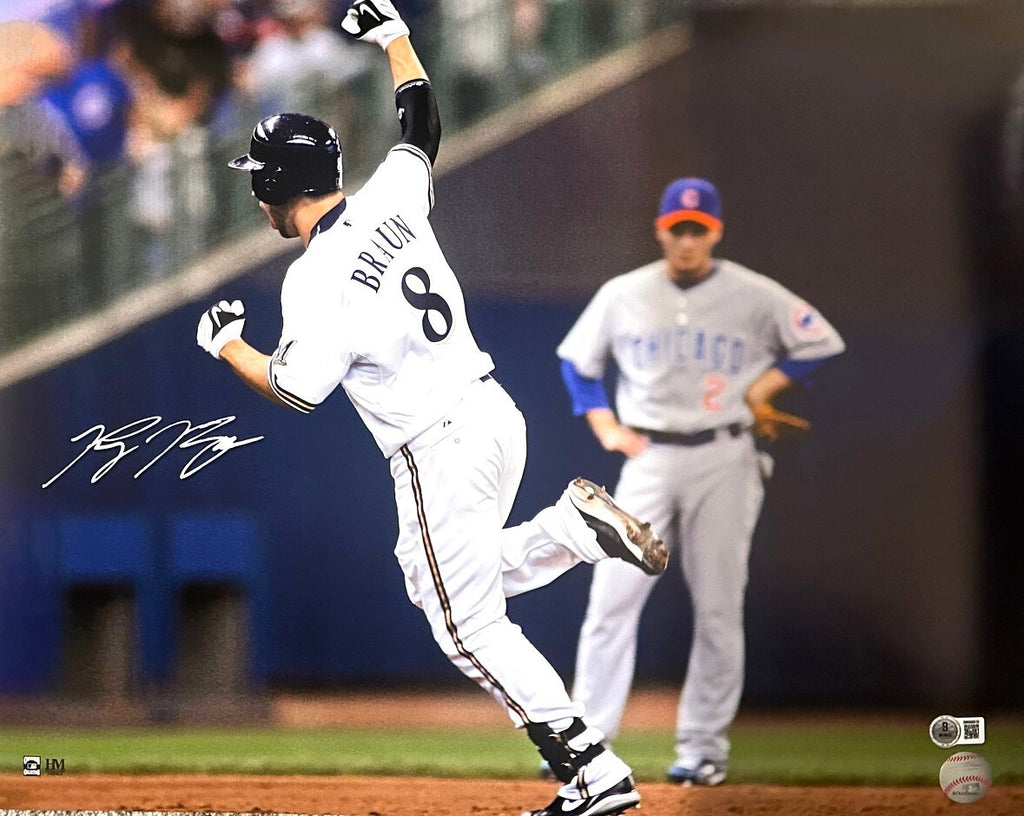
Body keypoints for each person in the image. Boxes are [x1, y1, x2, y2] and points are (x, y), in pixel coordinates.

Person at [195, 3, 668, 815]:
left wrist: (228, 347)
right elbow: (420, 124)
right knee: (448, 586)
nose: (255, 195)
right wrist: (394, 36)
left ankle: (594, 772)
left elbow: (298, 389)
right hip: (493, 414)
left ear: (274, 186)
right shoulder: (390, 197)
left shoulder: (313, 279)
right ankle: (569, 532)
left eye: (257, 180)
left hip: (436, 446)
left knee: (465, 625)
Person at [556, 177, 846, 785]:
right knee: (610, 600)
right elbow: (577, 361)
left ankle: (703, 749)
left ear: (715, 233)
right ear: (661, 231)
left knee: (718, 606)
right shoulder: (624, 293)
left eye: (698, 230)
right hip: (650, 456)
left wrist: (763, 387)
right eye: (678, 229)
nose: (687, 240)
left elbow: (821, 342)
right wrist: (605, 425)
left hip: (725, 455)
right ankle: (586, 744)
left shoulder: (752, 293)